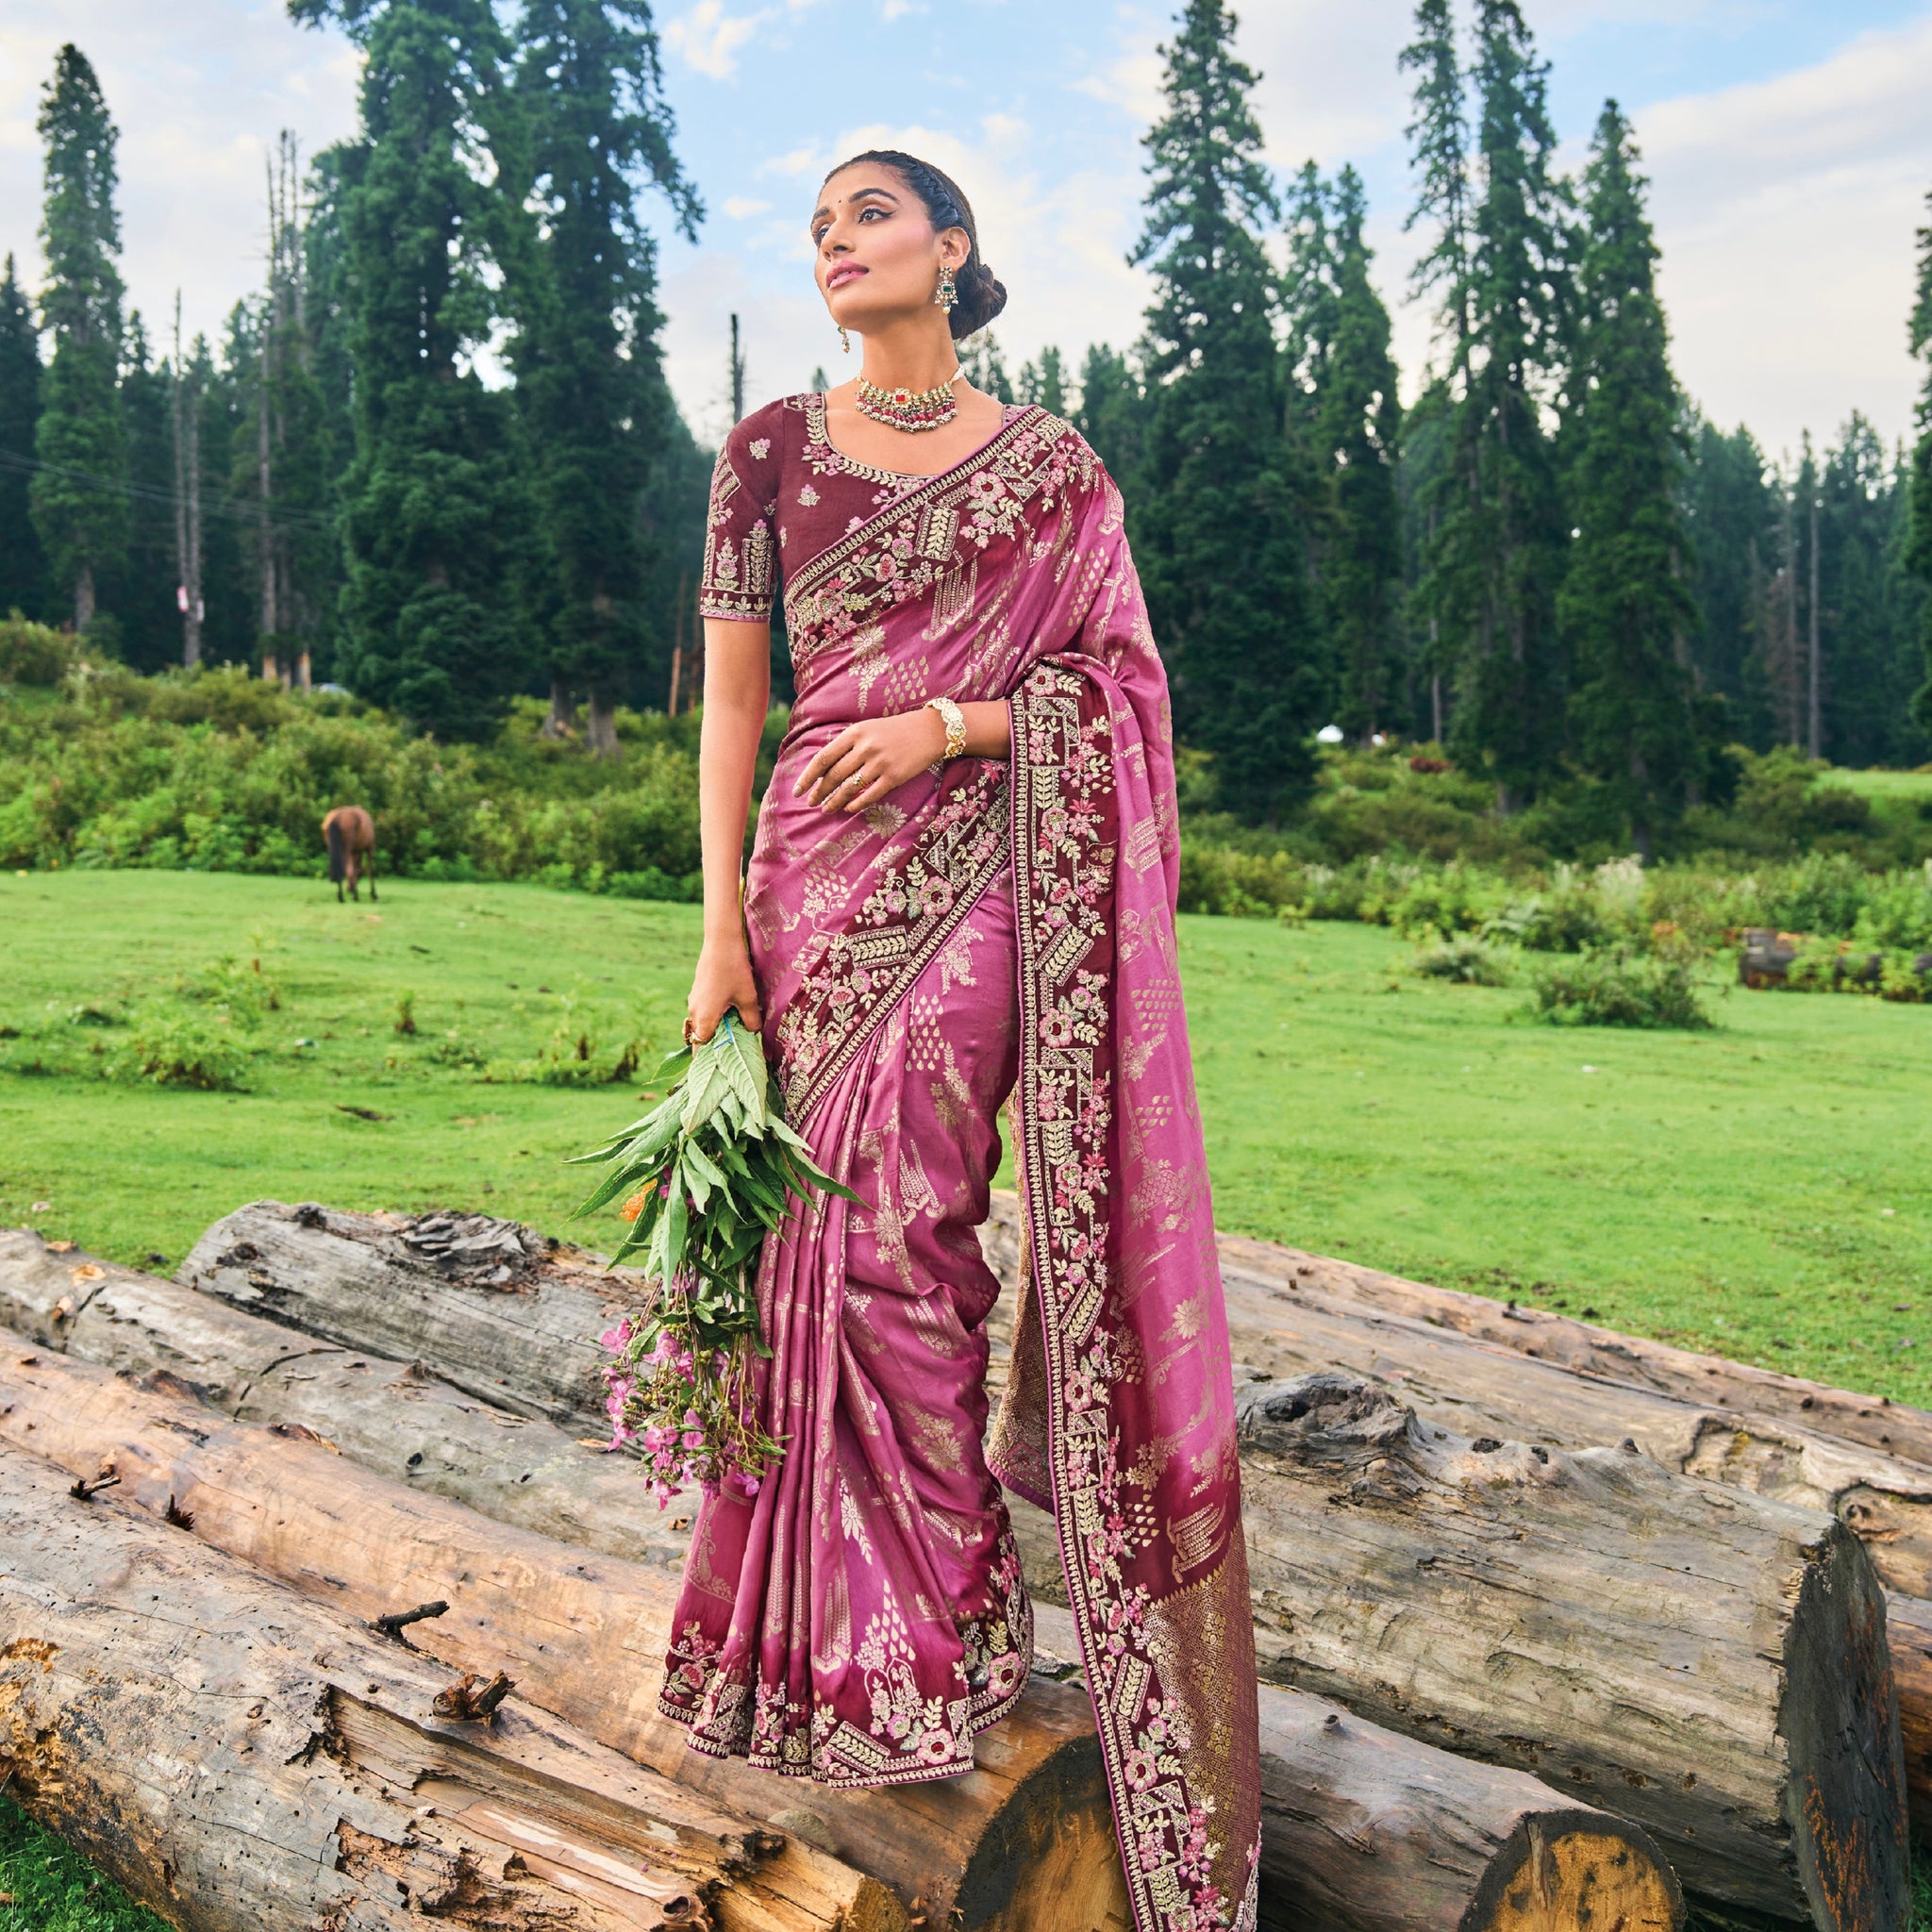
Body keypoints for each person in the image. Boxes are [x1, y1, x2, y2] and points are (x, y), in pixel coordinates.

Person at [666, 148, 1260, 1932]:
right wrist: (714, 932)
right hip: (805, 884)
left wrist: (943, 724)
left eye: (867, 214)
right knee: (801, 1243)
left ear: (952, 246)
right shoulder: (768, 451)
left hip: (981, 873)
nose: (833, 244)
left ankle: (931, 1638)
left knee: (914, 1236)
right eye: (818, 226)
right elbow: (735, 708)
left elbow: (1124, 696)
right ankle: (800, 1652)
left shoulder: (1056, 469)